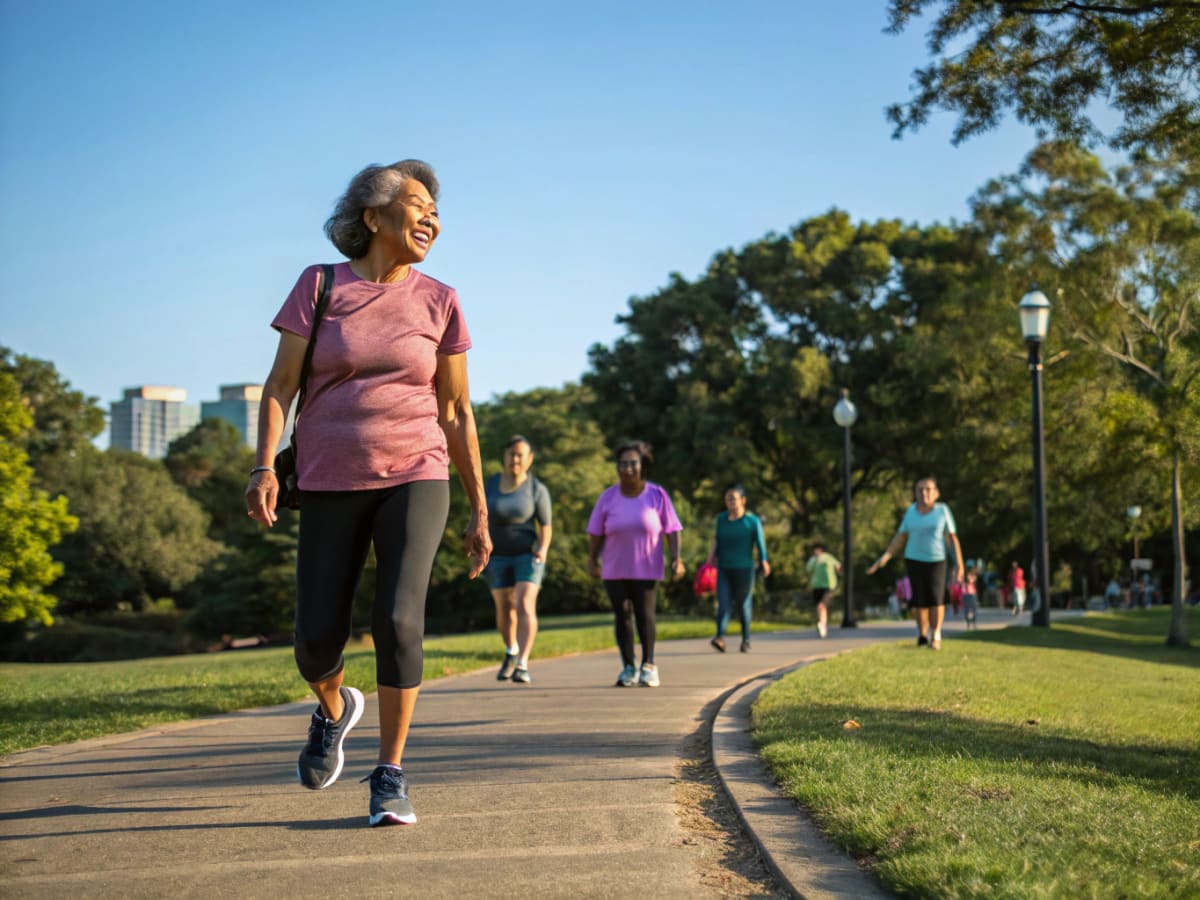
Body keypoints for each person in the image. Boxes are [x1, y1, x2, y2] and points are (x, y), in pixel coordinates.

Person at [245, 160, 491, 828]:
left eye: (437, 209)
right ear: (372, 217)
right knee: (315, 641)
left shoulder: (441, 299)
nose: (432, 217)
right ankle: (331, 708)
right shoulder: (319, 286)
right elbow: (280, 387)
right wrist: (265, 466)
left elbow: (458, 411)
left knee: (398, 620)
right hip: (327, 477)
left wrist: (479, 506)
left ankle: (390, 773)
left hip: (418, 471)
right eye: (417, 204)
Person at [587, 441, 684, 687]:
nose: (627, 468)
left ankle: (649, 665)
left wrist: (676, 559)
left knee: (645, 615)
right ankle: (628, 667)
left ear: (642, 466)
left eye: (633, 463)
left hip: (647, 566)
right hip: (614, 567)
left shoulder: (656, 495)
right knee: (622, 615)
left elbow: (672, 529)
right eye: (623, 464)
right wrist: (592, 560)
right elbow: (596, 532)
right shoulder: (608, 497)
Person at [867, 476, 964, 650]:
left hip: (937, 560)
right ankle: (921, 634)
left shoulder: (942, 510)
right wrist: (886, 556)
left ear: (936, 493)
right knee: (919, 601)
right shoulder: (911, 511)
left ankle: (936, 635)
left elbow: (952, 538)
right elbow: (901, 536)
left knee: (936, 599)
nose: (923, 493)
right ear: (915, 493)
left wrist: (959, 565)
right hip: (914, 560)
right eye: (920, 490)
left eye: (928, 489)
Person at [485, 435, 552, 685]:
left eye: (520, 455)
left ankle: (522, 663)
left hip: (528, 555)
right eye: (511, 454)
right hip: (497, 556)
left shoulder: (536, 489)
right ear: (504, 457)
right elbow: (479, 516)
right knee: (505, 608)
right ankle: (511, 650)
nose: (515, 459)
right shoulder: (490, 485)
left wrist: (543, 548)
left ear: (529, 459)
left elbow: (546, 525)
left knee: (524, 603)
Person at [705, 485, 770, 653]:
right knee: (723, 604)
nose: (731, 502)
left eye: (734, 498)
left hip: (745, 569)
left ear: (743, 500)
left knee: (743, 605)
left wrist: (764, 560)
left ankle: (746, 639)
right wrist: (710, 559)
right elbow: (717, 540)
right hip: (724, 568)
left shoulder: (752, 521)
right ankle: (719, 637)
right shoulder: (721, 519)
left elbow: (760, 543)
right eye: (728, 499)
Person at [805, 542, 841, 639]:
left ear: (821, 550)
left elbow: (837, 565)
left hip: (827, 585)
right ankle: (822, 624)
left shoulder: (828, 557)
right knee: (819, 606)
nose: (816, 551)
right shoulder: (812, 560)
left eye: (818, 549)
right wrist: (816, 561)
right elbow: (808, 570)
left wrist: (838, 569)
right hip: (816, 586)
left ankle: (821, 624)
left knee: (822, 605)